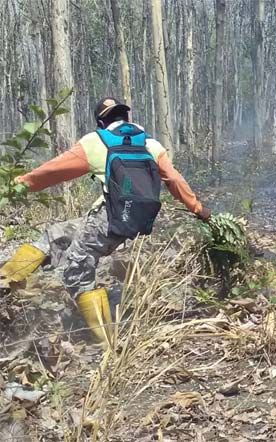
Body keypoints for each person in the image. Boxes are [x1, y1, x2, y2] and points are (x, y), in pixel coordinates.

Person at [0, 97, 211, 343]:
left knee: (75, 272)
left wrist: (16, 186)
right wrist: (198, 208)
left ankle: (107, 343)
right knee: (54, 234)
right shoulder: (151, 145)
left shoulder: (96, 141)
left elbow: (50, 172)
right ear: (127, 118)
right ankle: (6, 284)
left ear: (101, 122)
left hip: (107, 220)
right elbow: (174, 181)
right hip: (130, 221)